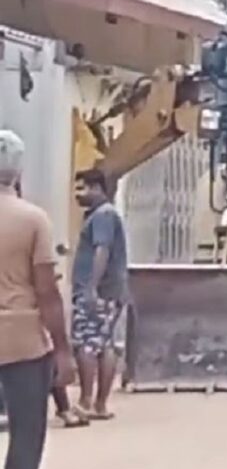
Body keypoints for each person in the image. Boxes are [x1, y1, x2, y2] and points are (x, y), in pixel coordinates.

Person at [0, 130, 76, 469]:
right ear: (17, 173)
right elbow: (47, 291)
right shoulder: (33, 220)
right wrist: (62, 351)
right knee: (26, 436)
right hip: (23, 343)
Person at [71, 168, 129, 421]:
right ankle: (100, 405)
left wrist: (91, 287)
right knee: (105, 345)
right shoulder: (105, 215)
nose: (77, 195)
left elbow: (101, 250)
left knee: (86, 344)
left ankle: (85, 401)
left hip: (99, 292)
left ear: (96, 188)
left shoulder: (102, 216)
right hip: (111, 291)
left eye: (81, 188)